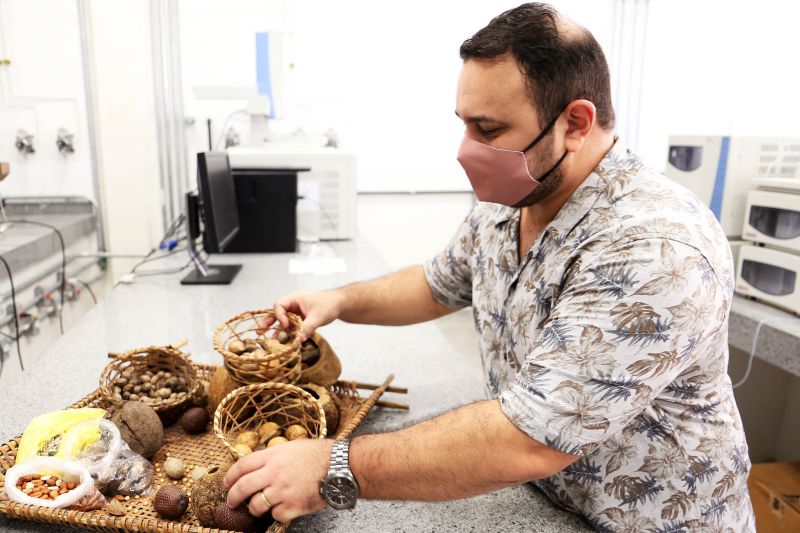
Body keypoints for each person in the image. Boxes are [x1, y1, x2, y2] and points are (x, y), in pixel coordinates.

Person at [223, 3, 755, 530]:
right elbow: (438, 284)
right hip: (547, 504)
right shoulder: (514, 200)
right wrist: (339, 302)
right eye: (464, 125)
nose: (466, 150)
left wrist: (336, 466)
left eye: (488, 128)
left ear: (575, 123)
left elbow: (529, 440)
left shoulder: (655, 248)